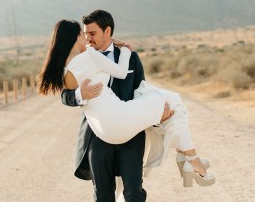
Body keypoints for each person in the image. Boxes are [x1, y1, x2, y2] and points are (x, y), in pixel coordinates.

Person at [37, 11, 215, 200]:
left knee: (133, 192)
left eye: (92, 33)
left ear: (108, 31)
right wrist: (81, 94)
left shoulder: (130, 57)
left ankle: (188, 158)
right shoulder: (84, 57)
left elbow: (140, 91)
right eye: (85, 34)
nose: (88, 38)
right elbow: (65, 95)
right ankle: (190, 159)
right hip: (97, 137)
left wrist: (154, 118)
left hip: (130, 135)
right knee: (103, 194)